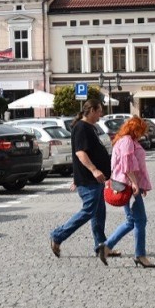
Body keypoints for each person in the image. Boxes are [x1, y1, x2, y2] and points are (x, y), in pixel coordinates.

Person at [49, 98, 115, 262]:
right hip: (89, 180)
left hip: (95, 180)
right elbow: (80, 153)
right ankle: (57, 235)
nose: (101, 114)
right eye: (99, 110)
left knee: (99, 214)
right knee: (88, 212)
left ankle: (101, 246)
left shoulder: (90, 128)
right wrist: (94, 170)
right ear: (92, 110)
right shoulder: (81, 128)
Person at [97, 116, 155, 268]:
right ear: (134, 129)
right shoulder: (127, 141)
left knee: (132, 221)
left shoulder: (126, 140)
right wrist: (136, 184)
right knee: (139, 220)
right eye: (140, 131)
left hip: (128, 185)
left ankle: (107, 247)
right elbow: (127, 166)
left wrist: (140, 184)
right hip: (128, 186)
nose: (142, 134)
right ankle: (139, 255)